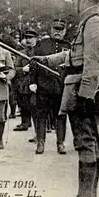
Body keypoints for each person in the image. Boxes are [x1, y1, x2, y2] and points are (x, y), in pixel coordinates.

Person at [33, 0, 99, 197]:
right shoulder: (89, 21)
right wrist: (47, 60)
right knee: (88, 141)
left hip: (84, 88)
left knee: (85, 141)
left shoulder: (95, 22)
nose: (73, 1)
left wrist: (86, 94)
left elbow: (94, 61)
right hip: (83, 85)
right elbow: (74, 54)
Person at [30, 19, 70, 154]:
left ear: (64, 31)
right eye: (55, 29)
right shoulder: (42, 44)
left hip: (61, 86)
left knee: (61, 116)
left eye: (61, 29)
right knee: (41, 115)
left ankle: (60, 143)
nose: (58, 32)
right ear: (51, 30)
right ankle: (40, 143)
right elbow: (34, 63)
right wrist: (32, 81)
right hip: (44, 85)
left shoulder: (69, 46)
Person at [13, 29, 38, 132]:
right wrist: (23, 69)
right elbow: (15, 68)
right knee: (23, 103)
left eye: (30, 38)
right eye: (26, 38)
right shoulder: (21, 53)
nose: (28, 40)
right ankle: (25, 123)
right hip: (24, 83)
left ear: (36, 39)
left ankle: (39, 128)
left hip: (37, 82)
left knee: (36, 105)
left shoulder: (39, 52)